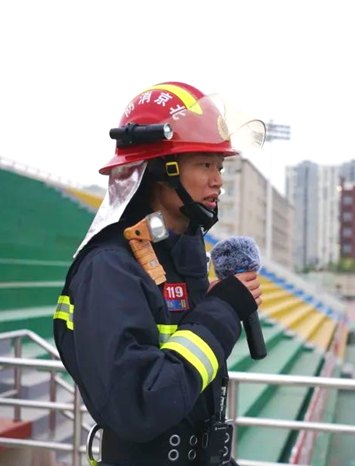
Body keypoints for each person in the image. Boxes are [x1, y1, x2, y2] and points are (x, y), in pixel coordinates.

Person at [53, 82, 266, 466]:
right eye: (204, 164)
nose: (218, 180)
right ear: (160, 170)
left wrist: (210, 304)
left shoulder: (178, 259)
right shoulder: (108, 267)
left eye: (219, 166)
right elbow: (138, 405)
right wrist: (218, 313)